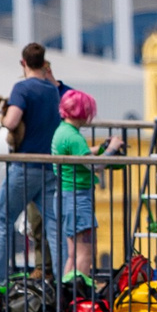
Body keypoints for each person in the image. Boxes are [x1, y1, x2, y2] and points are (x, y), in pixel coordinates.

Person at [0, 42, 64, 288]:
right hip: (49, 166)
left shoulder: (22, 88)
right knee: (53, 226)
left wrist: (5, 113)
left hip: (24, 166)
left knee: (3, 221)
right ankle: (62, 281)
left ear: (23, 63)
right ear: (44, 63)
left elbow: (11, 122)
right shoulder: (53, 91)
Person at [48, 86, 123, 279]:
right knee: (86, 253)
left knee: (73, 255)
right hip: (78, 198)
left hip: (65, 197)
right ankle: (78, 297)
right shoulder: (74, 136)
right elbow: (94, 165)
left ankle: (65, 298)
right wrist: (112, 149)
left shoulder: (62, 131)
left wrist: (99, 148)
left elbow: (81, 154)